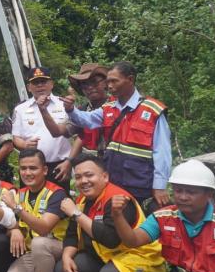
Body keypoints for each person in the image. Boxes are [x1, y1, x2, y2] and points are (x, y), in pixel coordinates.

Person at [54, 154, 165, 272]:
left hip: (140, 261)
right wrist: (66, 257)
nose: (83, 181)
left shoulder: (118, 200)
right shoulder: (82, 201)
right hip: (109, 259)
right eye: (79, 177)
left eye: (89, 175)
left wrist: (75, 214)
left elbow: (111, 239)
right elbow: (72, 235)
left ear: (105, 176)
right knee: (62, 270)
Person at [63, 61, 172, 210]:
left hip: (140, 183)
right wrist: (70, 110)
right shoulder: (108, 109)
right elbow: (86, 120)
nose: (109, 86)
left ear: (130, 79)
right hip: (112, 180)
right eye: (108, 82)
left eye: (114, 81)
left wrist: (159, 185)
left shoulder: (152, 110)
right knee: (114, 221)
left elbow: (162, 151)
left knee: (141, 223)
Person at [0, 148, 70, 272]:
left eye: (33, 168)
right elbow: (11, 224)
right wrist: (14, 230)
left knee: (40, 242)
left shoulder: (57, 193)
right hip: (35, 253)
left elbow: (44, 228)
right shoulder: (20, 193)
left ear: (44, 170)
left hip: (59, 249)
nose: (27, 173)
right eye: (23, 168)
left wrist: (16, 208)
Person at [12, 67, 81, 192]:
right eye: (35, 83)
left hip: (59, 165)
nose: (40, 86)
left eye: (43, 82)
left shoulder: (65, 105)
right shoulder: (20, 109)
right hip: (30, 167)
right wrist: (25, 144)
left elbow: (79, 137)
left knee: (61, 205)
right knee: (28, 204)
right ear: (29, 87)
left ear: (51, 84)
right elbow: (15, 137)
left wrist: (69, 162)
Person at [38, 64, 110, 156]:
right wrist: (43, 110)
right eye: (84, 84)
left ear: (105, 83)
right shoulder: (81, 111)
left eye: (94, 82)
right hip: (90, 166)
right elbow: (57, 132)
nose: (90, 87)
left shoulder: (118, 107)